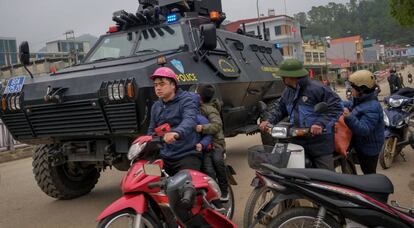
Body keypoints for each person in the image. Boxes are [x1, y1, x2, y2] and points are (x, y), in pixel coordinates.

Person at [259, 59, 343, 171]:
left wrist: (320, 124)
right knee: (296, 174)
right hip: (298, 139)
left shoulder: (317, 88)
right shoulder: (288, 92)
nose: (282, 79)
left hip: (320, 141)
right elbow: (280, 108)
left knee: (326, 177)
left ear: (292, 76)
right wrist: (269, 121)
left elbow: (337, 107)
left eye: (283, 76)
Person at [148, 67, 201, 176]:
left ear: (173, 85)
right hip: (164, 155)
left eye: (162, 84)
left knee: (186, 187)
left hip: (186, 154)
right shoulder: (156, 106)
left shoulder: (186, 100)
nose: (158, 88)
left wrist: (177, 132)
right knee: (147, 179)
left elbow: (190, 119)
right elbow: (151, 129)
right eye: (156, 85)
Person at [343, 70, 384, 174]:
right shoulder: (360, 100)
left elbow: (364, 129)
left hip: (369, 149)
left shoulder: (373, 107)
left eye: (353, 87)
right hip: (361, 144)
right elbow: (349, 104)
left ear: (361, 89)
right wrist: (333, 101)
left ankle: (372, 190)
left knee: (369, 174)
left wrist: (348, 117)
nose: (350, 89)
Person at [196, 84, 229, 201]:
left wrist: (202, 128)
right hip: (205, 144)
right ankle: (213, 192)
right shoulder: (197, 107)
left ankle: (224, 191)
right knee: (207, 169)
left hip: (216, 144)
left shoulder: (210, 109)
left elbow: (217, 125)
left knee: (217, 161)